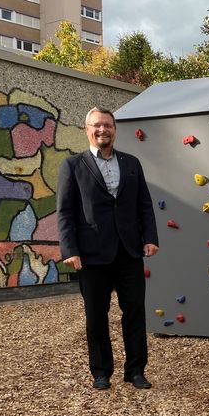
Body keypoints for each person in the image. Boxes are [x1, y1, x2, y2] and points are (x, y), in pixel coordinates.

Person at [57, 107, 159, 390]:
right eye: (97, 126)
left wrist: (150, 237)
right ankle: (101, 372)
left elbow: (144, 205)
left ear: (115, 129)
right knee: (96, 315)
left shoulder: (131, 163)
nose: (103, 130)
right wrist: (70, 249)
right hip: (92, 254)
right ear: (87, 129)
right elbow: (65, 211)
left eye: (108, 125)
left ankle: (136, 370)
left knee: (135, 311)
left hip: (129, 252)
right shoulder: (72, 165)